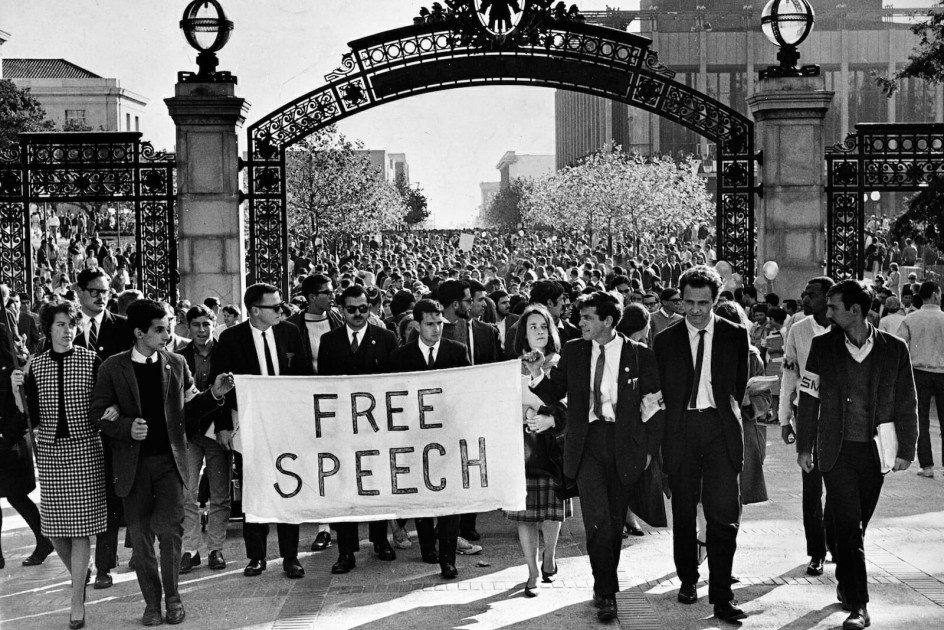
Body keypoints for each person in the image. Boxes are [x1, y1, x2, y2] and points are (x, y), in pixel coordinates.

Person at [89, 299, 234, 626]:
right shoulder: (113, 368)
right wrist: (126, 427)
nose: (167, 334)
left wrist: (214, 395)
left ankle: (173, 598)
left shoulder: (176, 364)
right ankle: (152, 604)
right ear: (139, 332)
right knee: (141, 543)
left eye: (169, 328)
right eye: (159, 329)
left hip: (170, 465)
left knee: (171, 536)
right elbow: (97, 413)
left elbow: (191, 409)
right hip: (133, 469)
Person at [524, 291, 663, 623]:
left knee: (614, 522)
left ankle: (605, 582)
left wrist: (648, 450)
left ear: (608, 322)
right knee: (597, 520)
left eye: (587, 317)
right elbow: (553, 392)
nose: (580, 322)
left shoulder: (639, 355)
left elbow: (656, 405)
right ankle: (606, 591)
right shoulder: (574, 351)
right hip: (587, 444)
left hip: (625, 444)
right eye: (580, 317)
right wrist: (536, 373)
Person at [796, 280, 918, 630]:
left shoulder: (894, 350)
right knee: (850, 527)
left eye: (833, 307)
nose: (827, 312)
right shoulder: (823, 346)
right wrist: (806, 446)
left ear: (856, 311)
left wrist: (906, 449)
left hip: (876, 451)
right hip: (835, 451)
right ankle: (860, 606)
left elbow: (907, 401)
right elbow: (809, 398)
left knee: (853, 526)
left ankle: (848, 584)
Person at [653, 265, 748, 623]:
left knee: (724, 517)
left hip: (720, 431)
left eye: (703, 303)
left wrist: (722, 415)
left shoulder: (735, 335)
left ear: (716, 300)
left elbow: (738, 385)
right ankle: (688, 579)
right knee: (683, 513)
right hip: (682, 432)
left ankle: (722, 595)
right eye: (689, 302)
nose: (695, 310)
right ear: (681, 300)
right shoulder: (665, 341)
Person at [12, 301, 107, 629]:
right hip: (51, 454)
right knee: (54, 530)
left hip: (84, 451)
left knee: (81, 530)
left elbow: (102, 405)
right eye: (60, 325)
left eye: (71, 325)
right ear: (48, 329)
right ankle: (81, 574)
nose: (67, 331)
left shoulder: (91, 360)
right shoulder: (35, 366)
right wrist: (16, 392)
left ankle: (76, 596)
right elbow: (31, 415)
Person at [210, 283, 312, 579]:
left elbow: (303, 378)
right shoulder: (231, 338)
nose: (281, 311)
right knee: (254, 490)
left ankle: (290, 557)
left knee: (289, 487)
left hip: (286, 425)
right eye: (275, 307)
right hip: (249, 425)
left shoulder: (290, 332)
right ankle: (256, 557)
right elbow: (218, 388)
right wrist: (224, 427)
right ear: (255, 311)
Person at [317, 285, 399, 574]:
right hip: (342, 429)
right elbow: (323, 386)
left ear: (371, 308)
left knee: (377, 483)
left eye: (363, 308)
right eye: (351, 309)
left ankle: (380, 539)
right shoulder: (329, 341)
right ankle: (346, 550)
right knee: (344, 488)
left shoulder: (387, 338)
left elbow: (395, 383)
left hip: (376, 429)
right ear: (341, 309)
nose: (358, 314)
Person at [389, 299, 471, 580]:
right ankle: (427, 546)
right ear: (417, 324)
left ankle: (448, 560)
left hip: (448, 438)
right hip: (414, 438)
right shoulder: (400, 357)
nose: (436, 329)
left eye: (440, 323)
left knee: (450, 498)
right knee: (421, 494)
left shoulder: (457, 351)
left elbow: (467, 391)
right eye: (430, 324)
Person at [74, 268, 134, 590]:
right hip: (79, 432)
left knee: (110, 499)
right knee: (82, 500)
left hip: (112, 428)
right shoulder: (66, 329)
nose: (101, 297)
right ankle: (79, 565)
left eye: (106, 291)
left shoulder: (122, 328)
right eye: (94, 291)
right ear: (79, 291)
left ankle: (104, 567)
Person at [504, 304, 568, 597]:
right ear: (523, 333)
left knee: (551, 513)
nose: (539, 332)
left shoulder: (561, 362)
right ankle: (531, 570)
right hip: (520, 445)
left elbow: (568, 403)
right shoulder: (510, 366)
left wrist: (546, 414)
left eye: (543, 326)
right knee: (524, 513)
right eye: (533, 327)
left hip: (552, 447)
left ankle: (550, 558)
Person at [779, 276, 835, 577]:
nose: (804, 298)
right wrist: (784, 418)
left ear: (828, 298)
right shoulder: (798, 330)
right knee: (811, 488)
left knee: (840, 486)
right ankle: (816, 551)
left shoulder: (844, 327)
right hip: (807, 415)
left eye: (811, 294)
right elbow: (789, 374)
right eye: (804, 293)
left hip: (840, 418)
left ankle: (836, 542)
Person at [177, 305, 232, 573]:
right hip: (190, 433)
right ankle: (190, 548)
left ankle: (216, 549)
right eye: (196, 325)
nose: (201, 330)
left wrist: (225, 428)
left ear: (213, 325)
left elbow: (231, 395)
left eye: (206, 324)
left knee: (220, 493)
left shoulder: (226, 353)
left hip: (217, 432)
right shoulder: (178, 357)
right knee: (187, 492)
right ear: (188, 328)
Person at [896, 280, 944, 479]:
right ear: (935, 294)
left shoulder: (911, 318)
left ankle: (927, 465)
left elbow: (899, 345)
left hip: (919, 373)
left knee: (921, 420)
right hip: (942, 373)